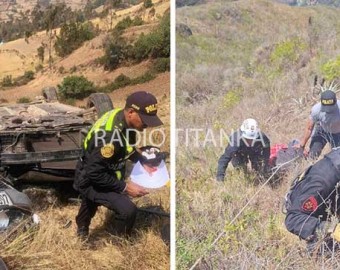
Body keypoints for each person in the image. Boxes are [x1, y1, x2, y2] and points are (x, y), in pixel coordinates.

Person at [73, 91, 163, 238]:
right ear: (131, 112)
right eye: (145, 119)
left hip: (103, 170)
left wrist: (141, 161)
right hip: (90, 178)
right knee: (128, 210)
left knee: (90, 201)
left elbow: (126, 147)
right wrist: (126, 188)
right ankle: (119, 240)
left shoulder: (122, 118)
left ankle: (82, 226)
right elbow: (94, 173)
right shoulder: (109, 137)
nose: (147, 124)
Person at [284, 147, 340, 255]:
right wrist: (332, 228)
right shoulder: (321, 182)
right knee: (328, 246)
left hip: (333, 196)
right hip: (315, 212)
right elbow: (293, 218)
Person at [296, 88, 340, 159]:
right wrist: (302, 145)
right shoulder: (316, 110)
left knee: (337, 159)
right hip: (322, 130)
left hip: (338, 134)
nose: (328, 110)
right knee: (312, 156)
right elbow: (309, 128)